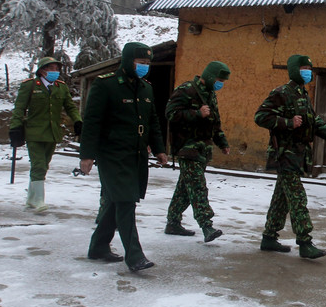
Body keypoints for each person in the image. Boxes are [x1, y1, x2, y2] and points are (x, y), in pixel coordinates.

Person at [79, 42, 168, 272]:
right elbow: (92, 122)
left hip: (136, 155)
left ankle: (98, 246)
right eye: (140, 63)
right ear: (128, 61)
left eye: (147, 64)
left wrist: (159, 148)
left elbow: (153, 121)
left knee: (116, 201)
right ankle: (134, 256)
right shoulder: (106, 85)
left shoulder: (146, 88)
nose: (144, 67)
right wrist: (87, 155)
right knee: (126, 201)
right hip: (111, 154)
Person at [254, 54, 326, 259]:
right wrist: (287, 123)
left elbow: (314, 122)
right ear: (293, 70)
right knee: (298, 198)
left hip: (298, 154)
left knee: (281, 198)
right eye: (303, 68)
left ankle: (269, 237)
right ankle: (305, 242)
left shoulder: (302, 94)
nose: (308, 72)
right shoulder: (281, 93)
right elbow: (261, 116)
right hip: (284, 154)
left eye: (309, 68)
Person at [164, 61, 231, 243]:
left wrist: (222, 143)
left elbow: (215, 123)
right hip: (187, 148)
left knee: (185, 188)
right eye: (218, 79)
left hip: (203, 149)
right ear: (209, 76)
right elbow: (170, 114)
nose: (220, 84)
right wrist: (196, 114)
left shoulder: (210, 94)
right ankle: (206, 226)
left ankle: (173, 222)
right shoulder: (186, 90)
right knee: (197, 187)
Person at [9, 56, 82, 212]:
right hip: (34, 132)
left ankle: (30, 198)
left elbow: (70, 107)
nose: (54, 72)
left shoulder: (60, 87)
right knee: (38, 165)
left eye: (56, 69)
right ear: (41, 71)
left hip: (52, 132)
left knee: (44, 165)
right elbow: (19, 108)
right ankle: (38, 200)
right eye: (51, 69)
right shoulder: (30, 86)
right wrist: (15, 127)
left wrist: (77, 121)